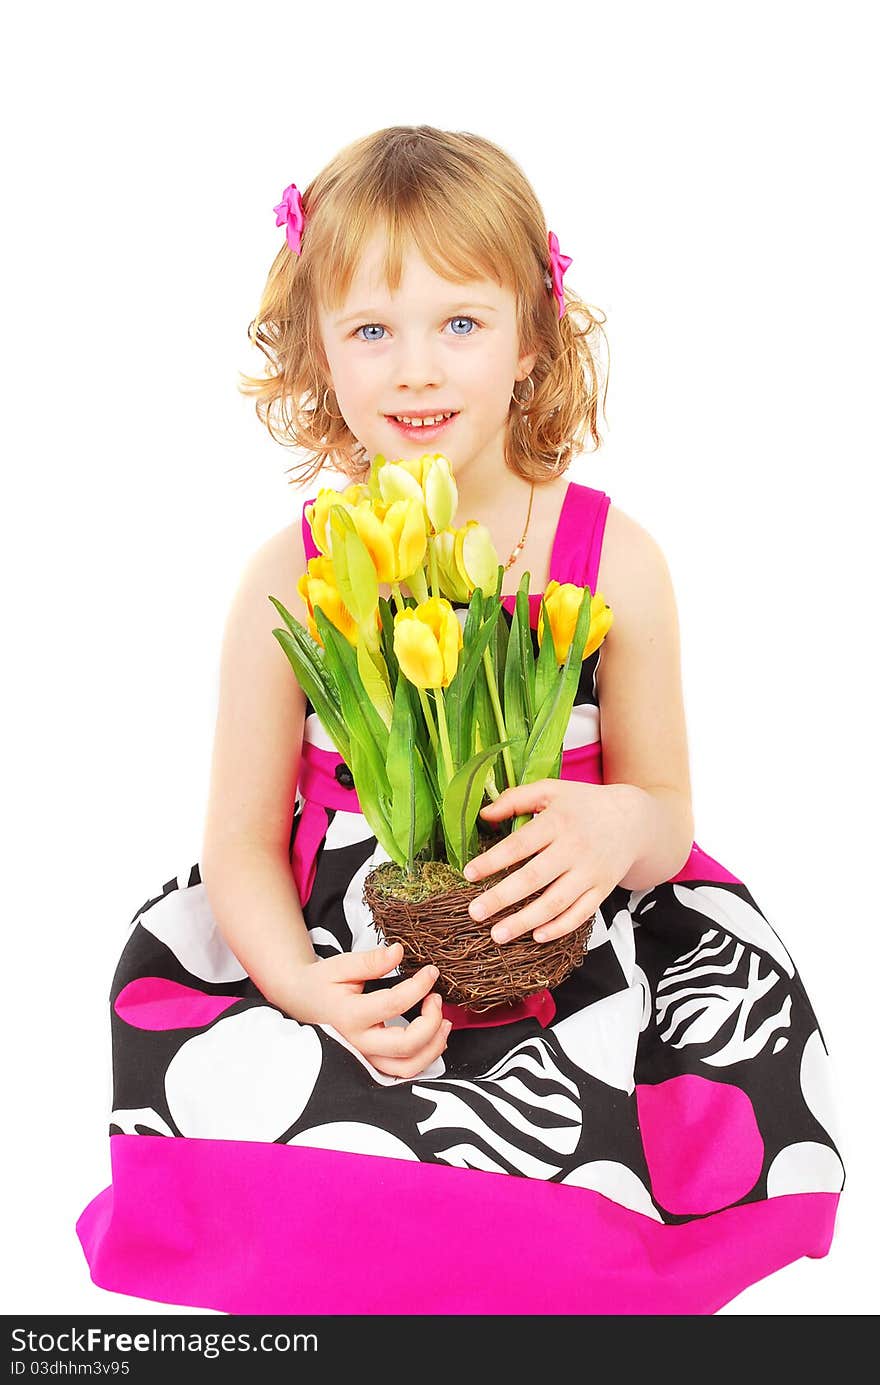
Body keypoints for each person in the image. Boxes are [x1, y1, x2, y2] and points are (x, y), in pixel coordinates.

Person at [76, 124, 844, 1315]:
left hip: (568, 942)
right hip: (361, 958)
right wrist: (307, 989)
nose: (416, 370)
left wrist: (613, 824)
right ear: (315, 351)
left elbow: (668, 808)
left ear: (532, 334)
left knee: (584, 1202)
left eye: (461, 323)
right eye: (371, 330)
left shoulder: (611, 559)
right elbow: (236, 838)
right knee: (299, 1173)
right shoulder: (296, 574)